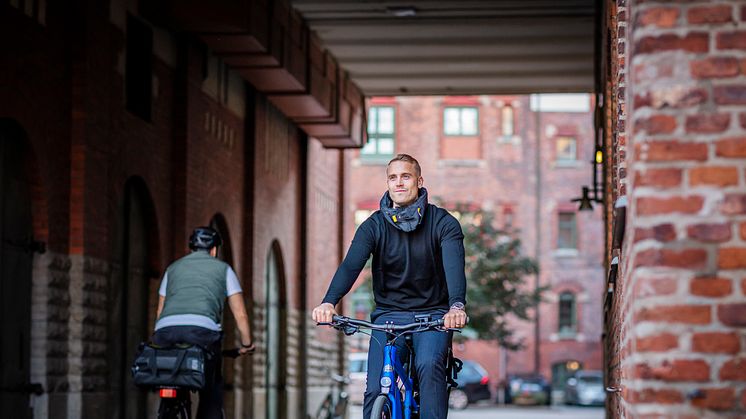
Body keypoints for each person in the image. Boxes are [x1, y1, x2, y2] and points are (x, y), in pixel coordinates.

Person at [312, 153, 467, 419]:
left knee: (428, 367)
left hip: (432, 317)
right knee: (375, 388)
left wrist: (456, 306)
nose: (399, 183)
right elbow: (351, 266)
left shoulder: (444, 223)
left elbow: (454, 268)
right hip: (388, 317)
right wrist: (329, 301)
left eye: (405, 177)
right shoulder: (372, 226)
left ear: (418, 181)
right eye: (393, 178)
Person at [152, 226, 254, 419]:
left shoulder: (172, 269)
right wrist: (247, 344)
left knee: (170, 376)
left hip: (165, 332)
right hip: (202, 334)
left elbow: (160, 310)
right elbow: (240, 313)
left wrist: (160, 337)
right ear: (214, 249)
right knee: (211, 386)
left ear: (191, 248)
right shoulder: (223, 270)